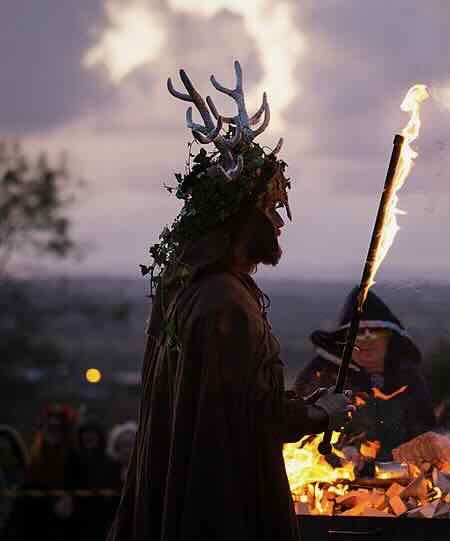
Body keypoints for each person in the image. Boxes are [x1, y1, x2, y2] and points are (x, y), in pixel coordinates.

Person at [107, 62, 353, 541]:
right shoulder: (224, 303)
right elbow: (249, 413)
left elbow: (226, 396)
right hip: (220, 501)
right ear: (242, 219)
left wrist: (302, 401)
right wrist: (323, 413)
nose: (280, 224)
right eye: (269, 210)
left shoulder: (184, 287)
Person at [293, 288, 435, 468]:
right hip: (337, 481)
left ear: (389, 336)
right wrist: (339, 452)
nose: (367, 339)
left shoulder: (407, 375)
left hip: (403, 479)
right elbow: (298, 434)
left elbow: (424, 427)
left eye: (375, 331)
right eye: (358, 332)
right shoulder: (320, 374)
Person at [5, 404, 79, 541]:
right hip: (32, 518)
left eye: (57, 428)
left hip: (61, 521)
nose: (53, 431)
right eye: (49, 427)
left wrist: (70, 499)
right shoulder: (34, 453)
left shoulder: (73, 455)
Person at [68, 423, 119, 541]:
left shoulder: (111, 463)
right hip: (78, 517)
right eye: (86, 434)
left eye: (92, 434)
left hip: (103, 517)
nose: (89, 437)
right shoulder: (73, 461)